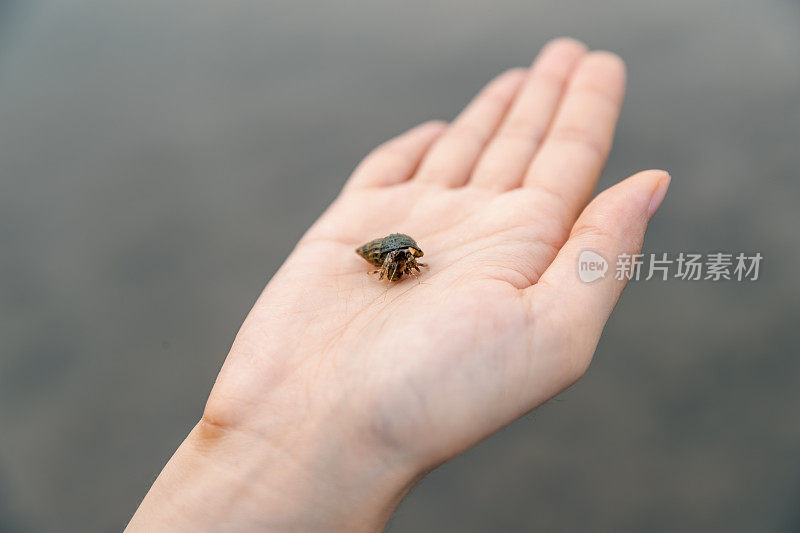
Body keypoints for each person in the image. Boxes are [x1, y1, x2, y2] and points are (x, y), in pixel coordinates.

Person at [126, 37, 670, 532]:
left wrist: (263, 445)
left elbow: (411, 256)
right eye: (404, 261)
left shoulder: (407, 254)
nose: (409, 263)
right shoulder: (387, 257)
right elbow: (393, 260)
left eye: (407, 261)